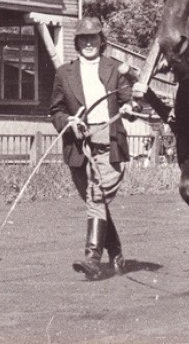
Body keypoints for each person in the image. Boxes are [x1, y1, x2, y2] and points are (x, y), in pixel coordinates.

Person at [50, 16, 133, 280]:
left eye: (93, 37)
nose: (89, 43)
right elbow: (56, 110)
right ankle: (116, 249)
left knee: (97, 198)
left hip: (109, 144)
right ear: (77, 41)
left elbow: (128, 102)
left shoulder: (116, 68)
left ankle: (92, 258)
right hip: (78, 147)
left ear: (101, 41)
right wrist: (69, 122)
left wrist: (130, 108)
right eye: (84, 38)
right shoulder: (64, 73)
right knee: (94, 202)